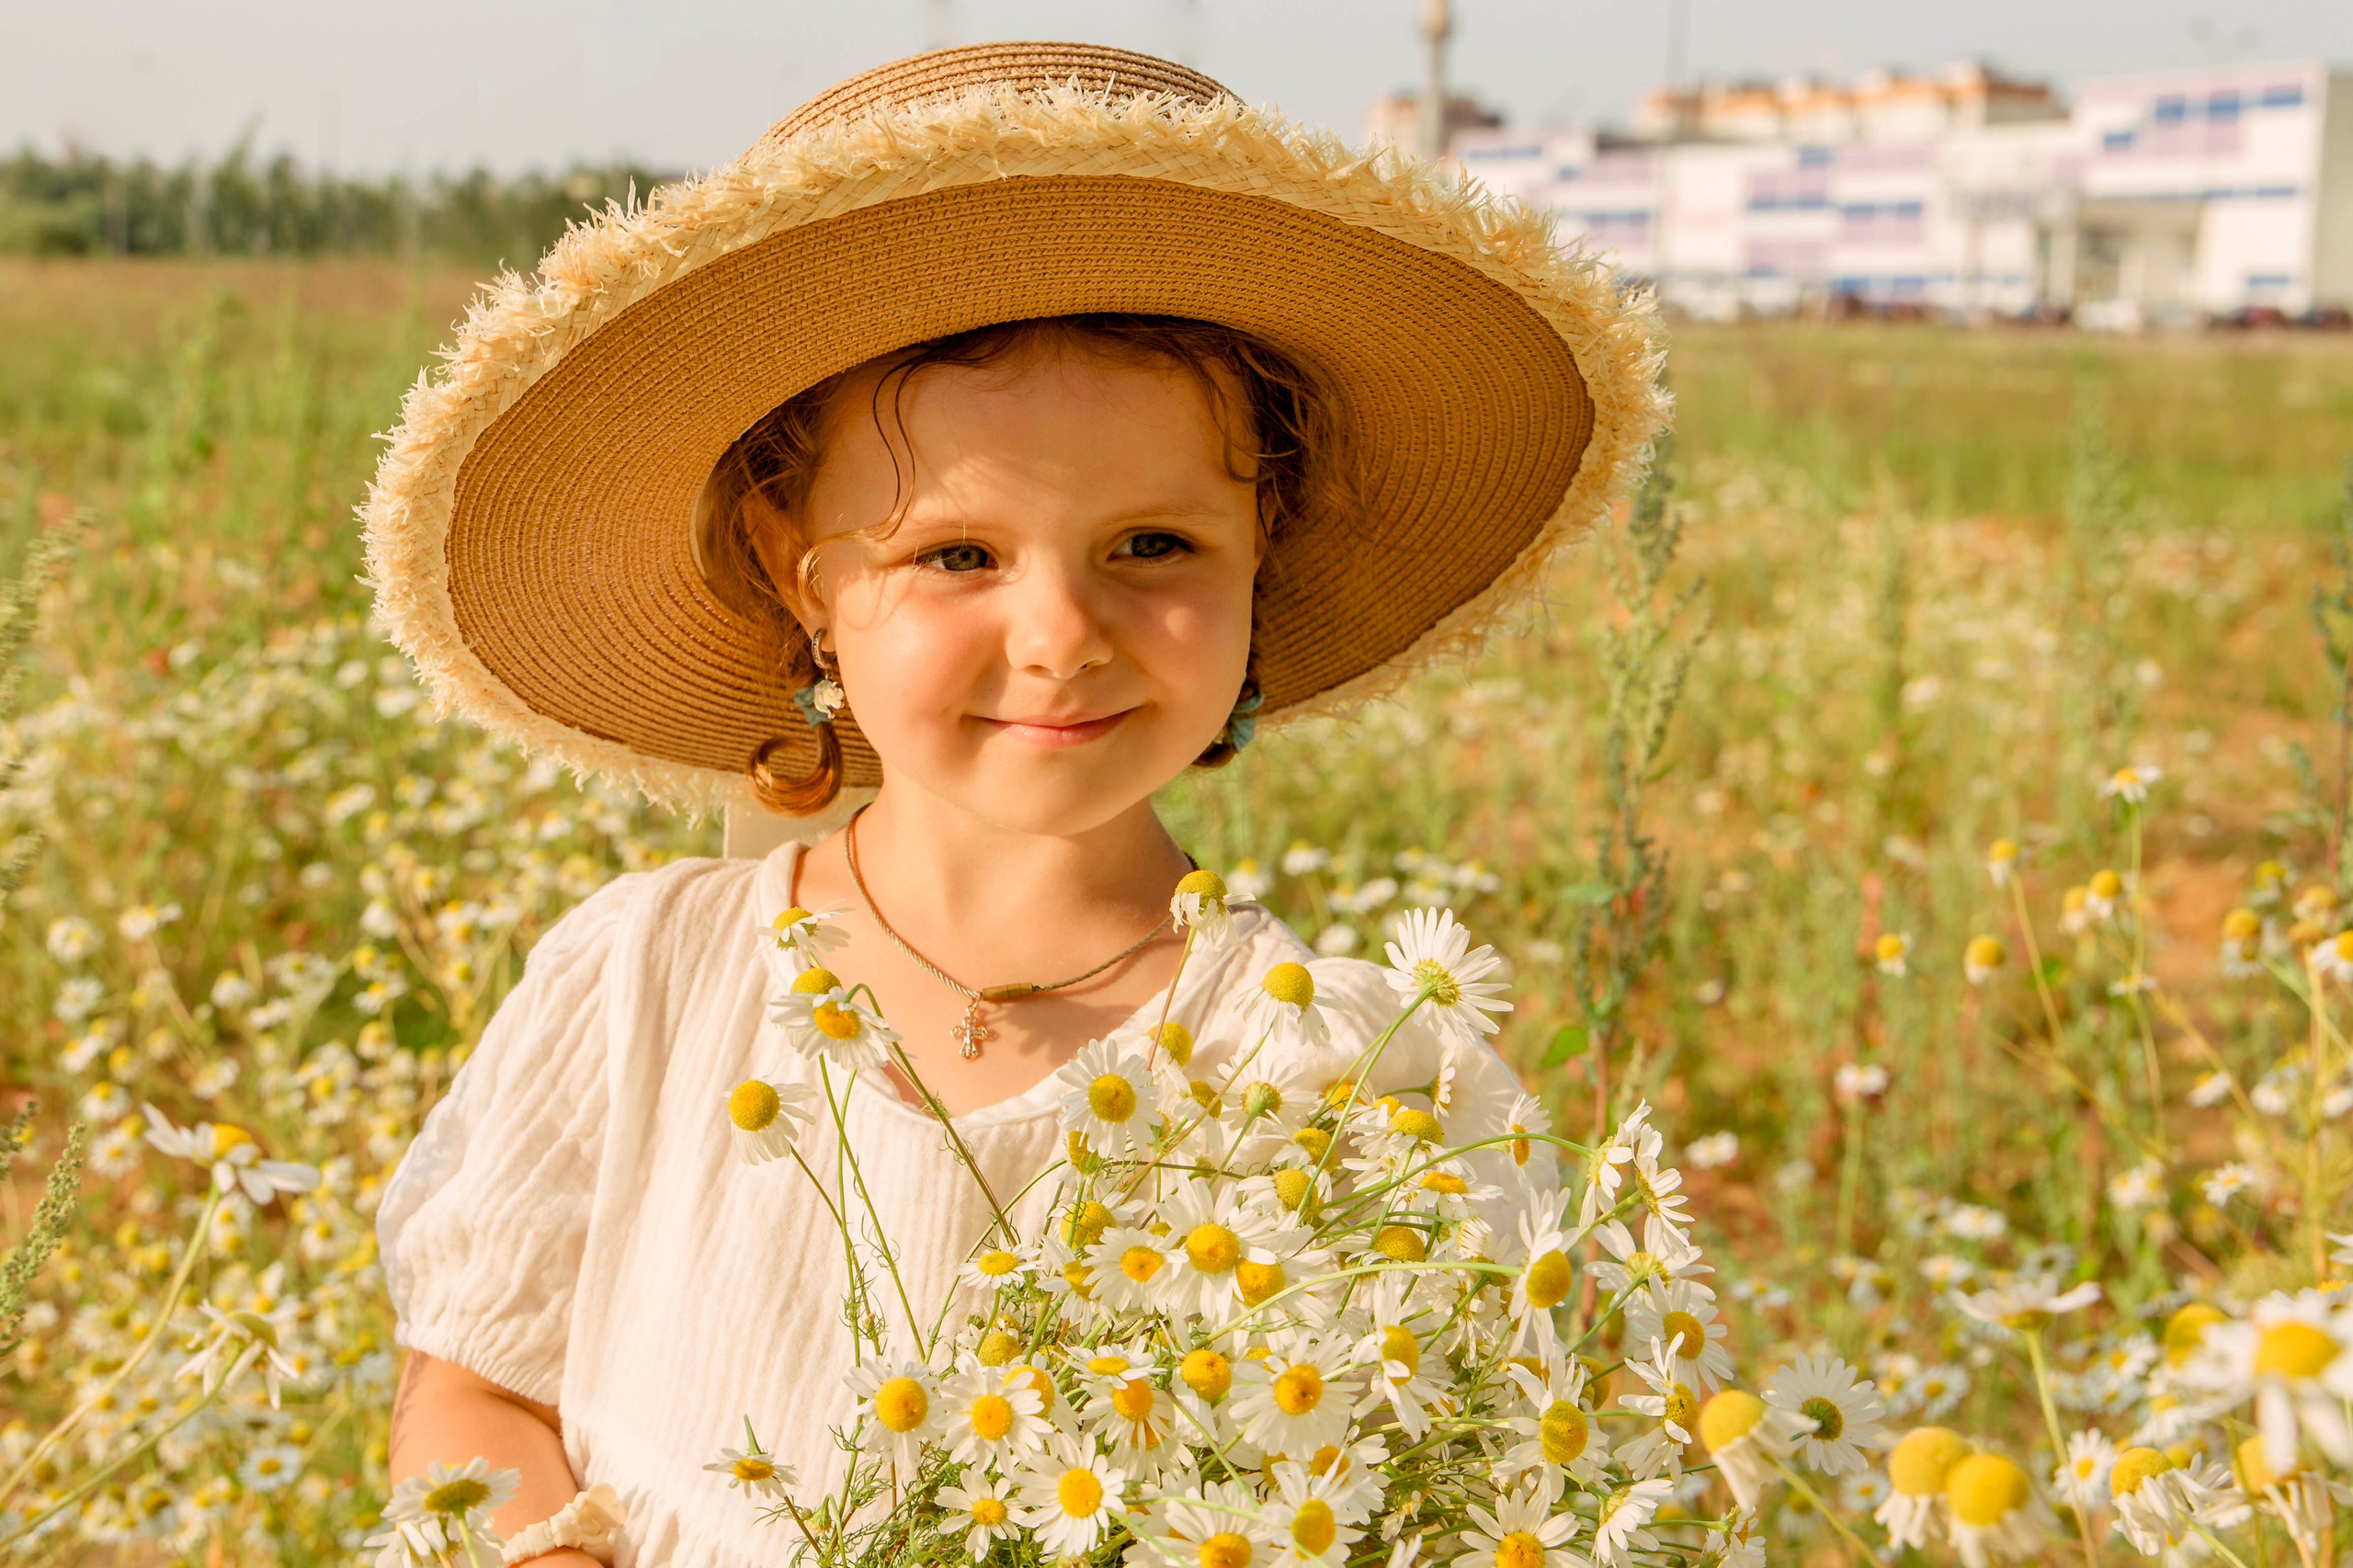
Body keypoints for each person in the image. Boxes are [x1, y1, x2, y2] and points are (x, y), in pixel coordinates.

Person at [363, 40, 1664, 1567]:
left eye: (1156, 547)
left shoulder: (1359, 1077)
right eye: (958, 555)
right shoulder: (643, 982)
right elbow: (470, 1388)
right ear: (811, 582)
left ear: (1266, 550)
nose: (1060, 635)